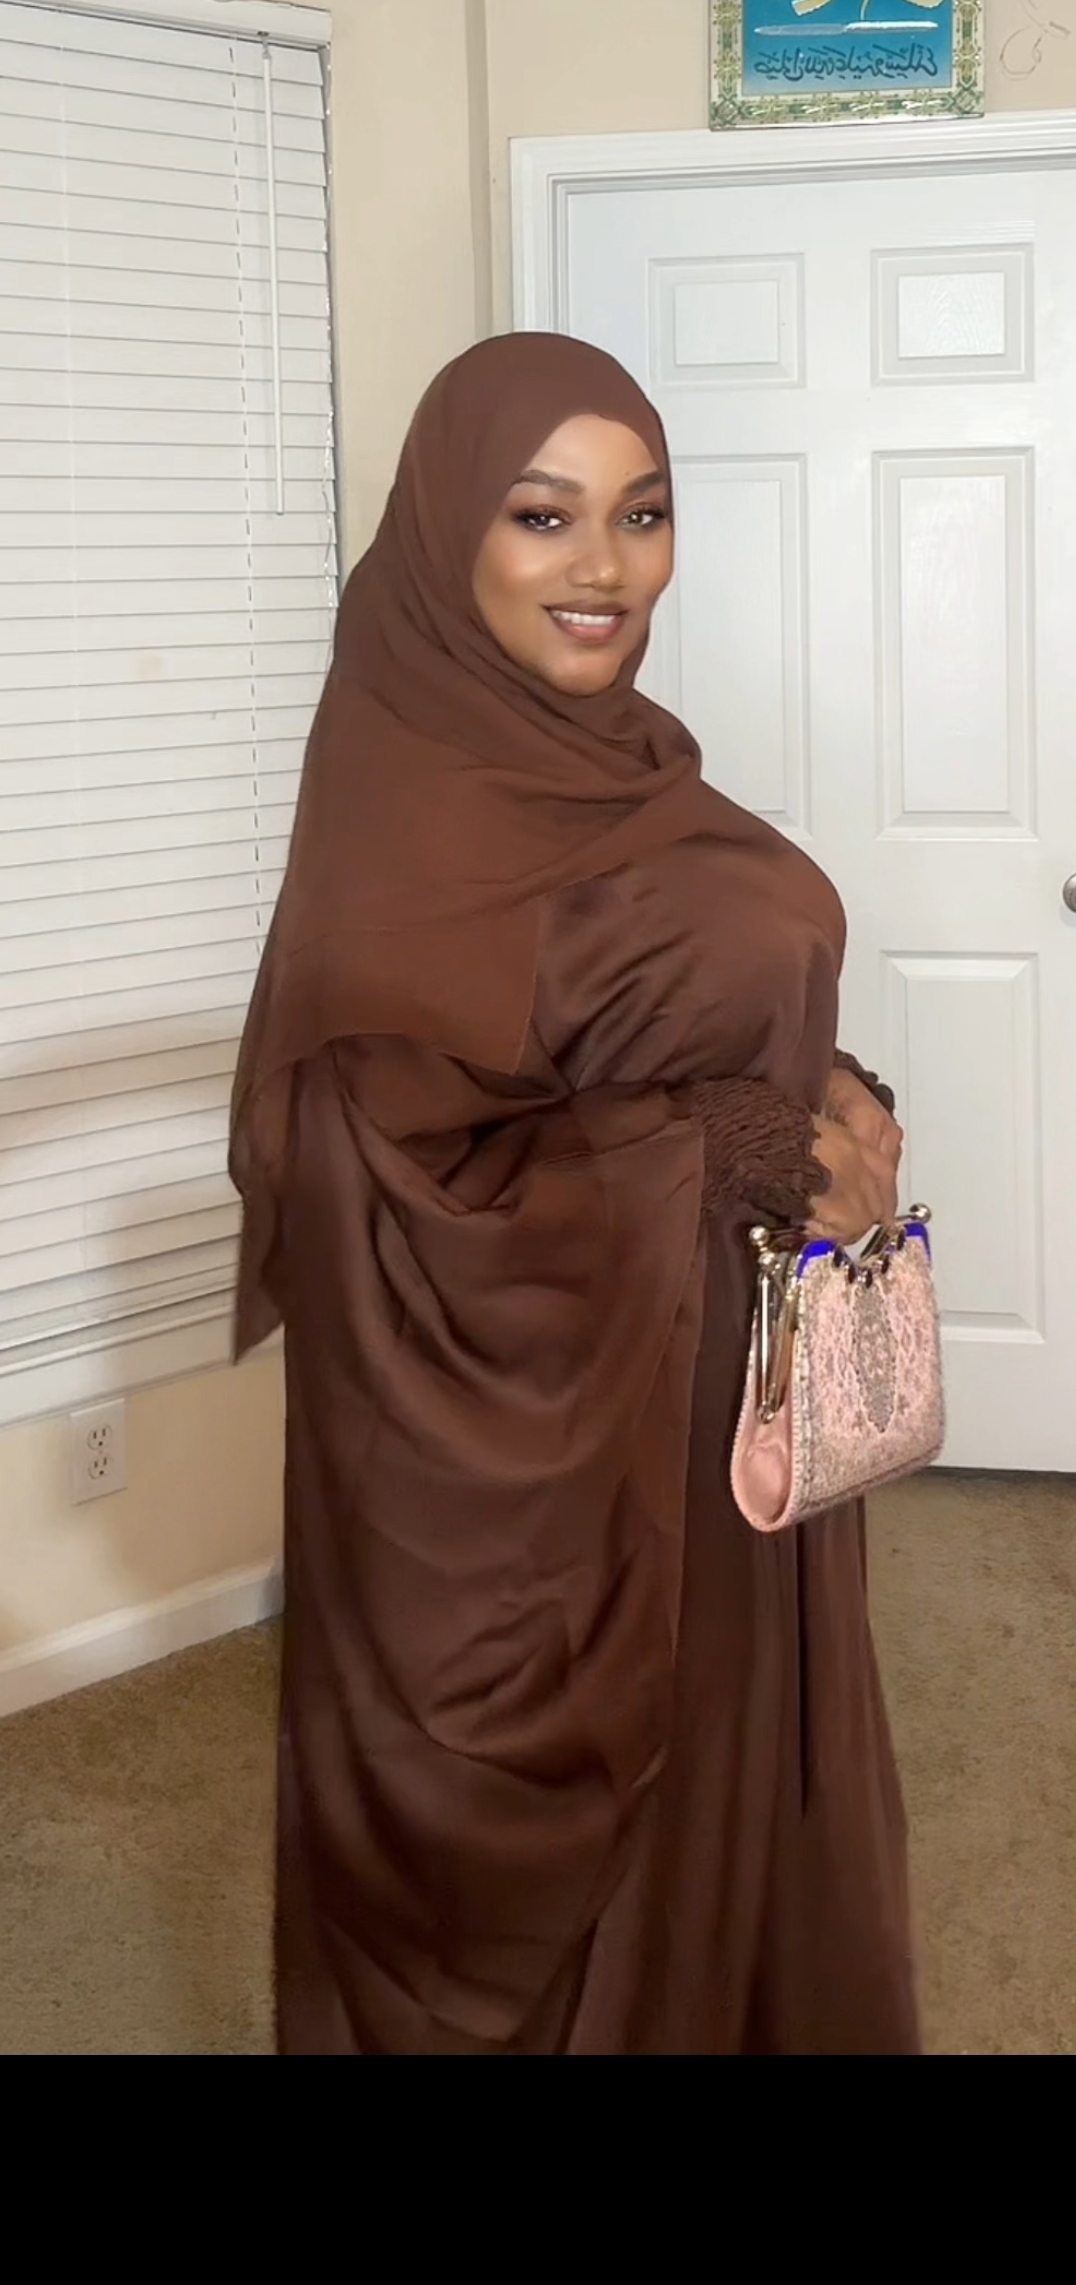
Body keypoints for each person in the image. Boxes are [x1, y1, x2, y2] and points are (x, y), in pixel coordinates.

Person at [230, 331, 917, 2056]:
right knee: (570, 1830)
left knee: (735, 1782)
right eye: (542, 515)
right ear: (448, 533)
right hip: (561, 1464)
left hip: (722, 1381)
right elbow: (400, 1181)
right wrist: (742, 1144)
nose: (604, 567)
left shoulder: (626, 763)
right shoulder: (407, 807)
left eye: (641, 513)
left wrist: (825, 1091)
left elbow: (677, 1011)